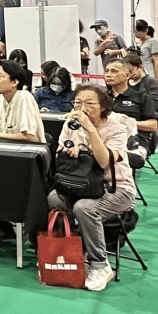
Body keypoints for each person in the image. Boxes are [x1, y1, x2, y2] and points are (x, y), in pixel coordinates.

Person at [48, 84, 135, 292]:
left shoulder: (117, 129)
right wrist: (70, 149)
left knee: (84, 208)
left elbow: (105, 162)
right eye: (78, 103)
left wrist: (90, 130)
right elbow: (60, 150)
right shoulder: (71, 124)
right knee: (54, 198)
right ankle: (72, 252)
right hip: (79, 184)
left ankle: (100, 265)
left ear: (103, 106)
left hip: (115, 188)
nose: (82, 108)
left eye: (89, 103)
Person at [0, 60, 47, 244]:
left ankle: (5, 225)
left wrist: (1, 136)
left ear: (15, 81)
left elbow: (29, 136)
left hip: (31, 159)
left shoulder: (24, 97)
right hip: (7, 157)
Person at [105, 59, 158, 155]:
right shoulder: (101, 97)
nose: (108, 74)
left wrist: (127, 122)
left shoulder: (142, 97)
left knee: (125, 156)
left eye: (114, 71)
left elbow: (153, 126)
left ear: (127, 75)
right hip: (106, 138)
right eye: (106, 71)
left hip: (134, 140)